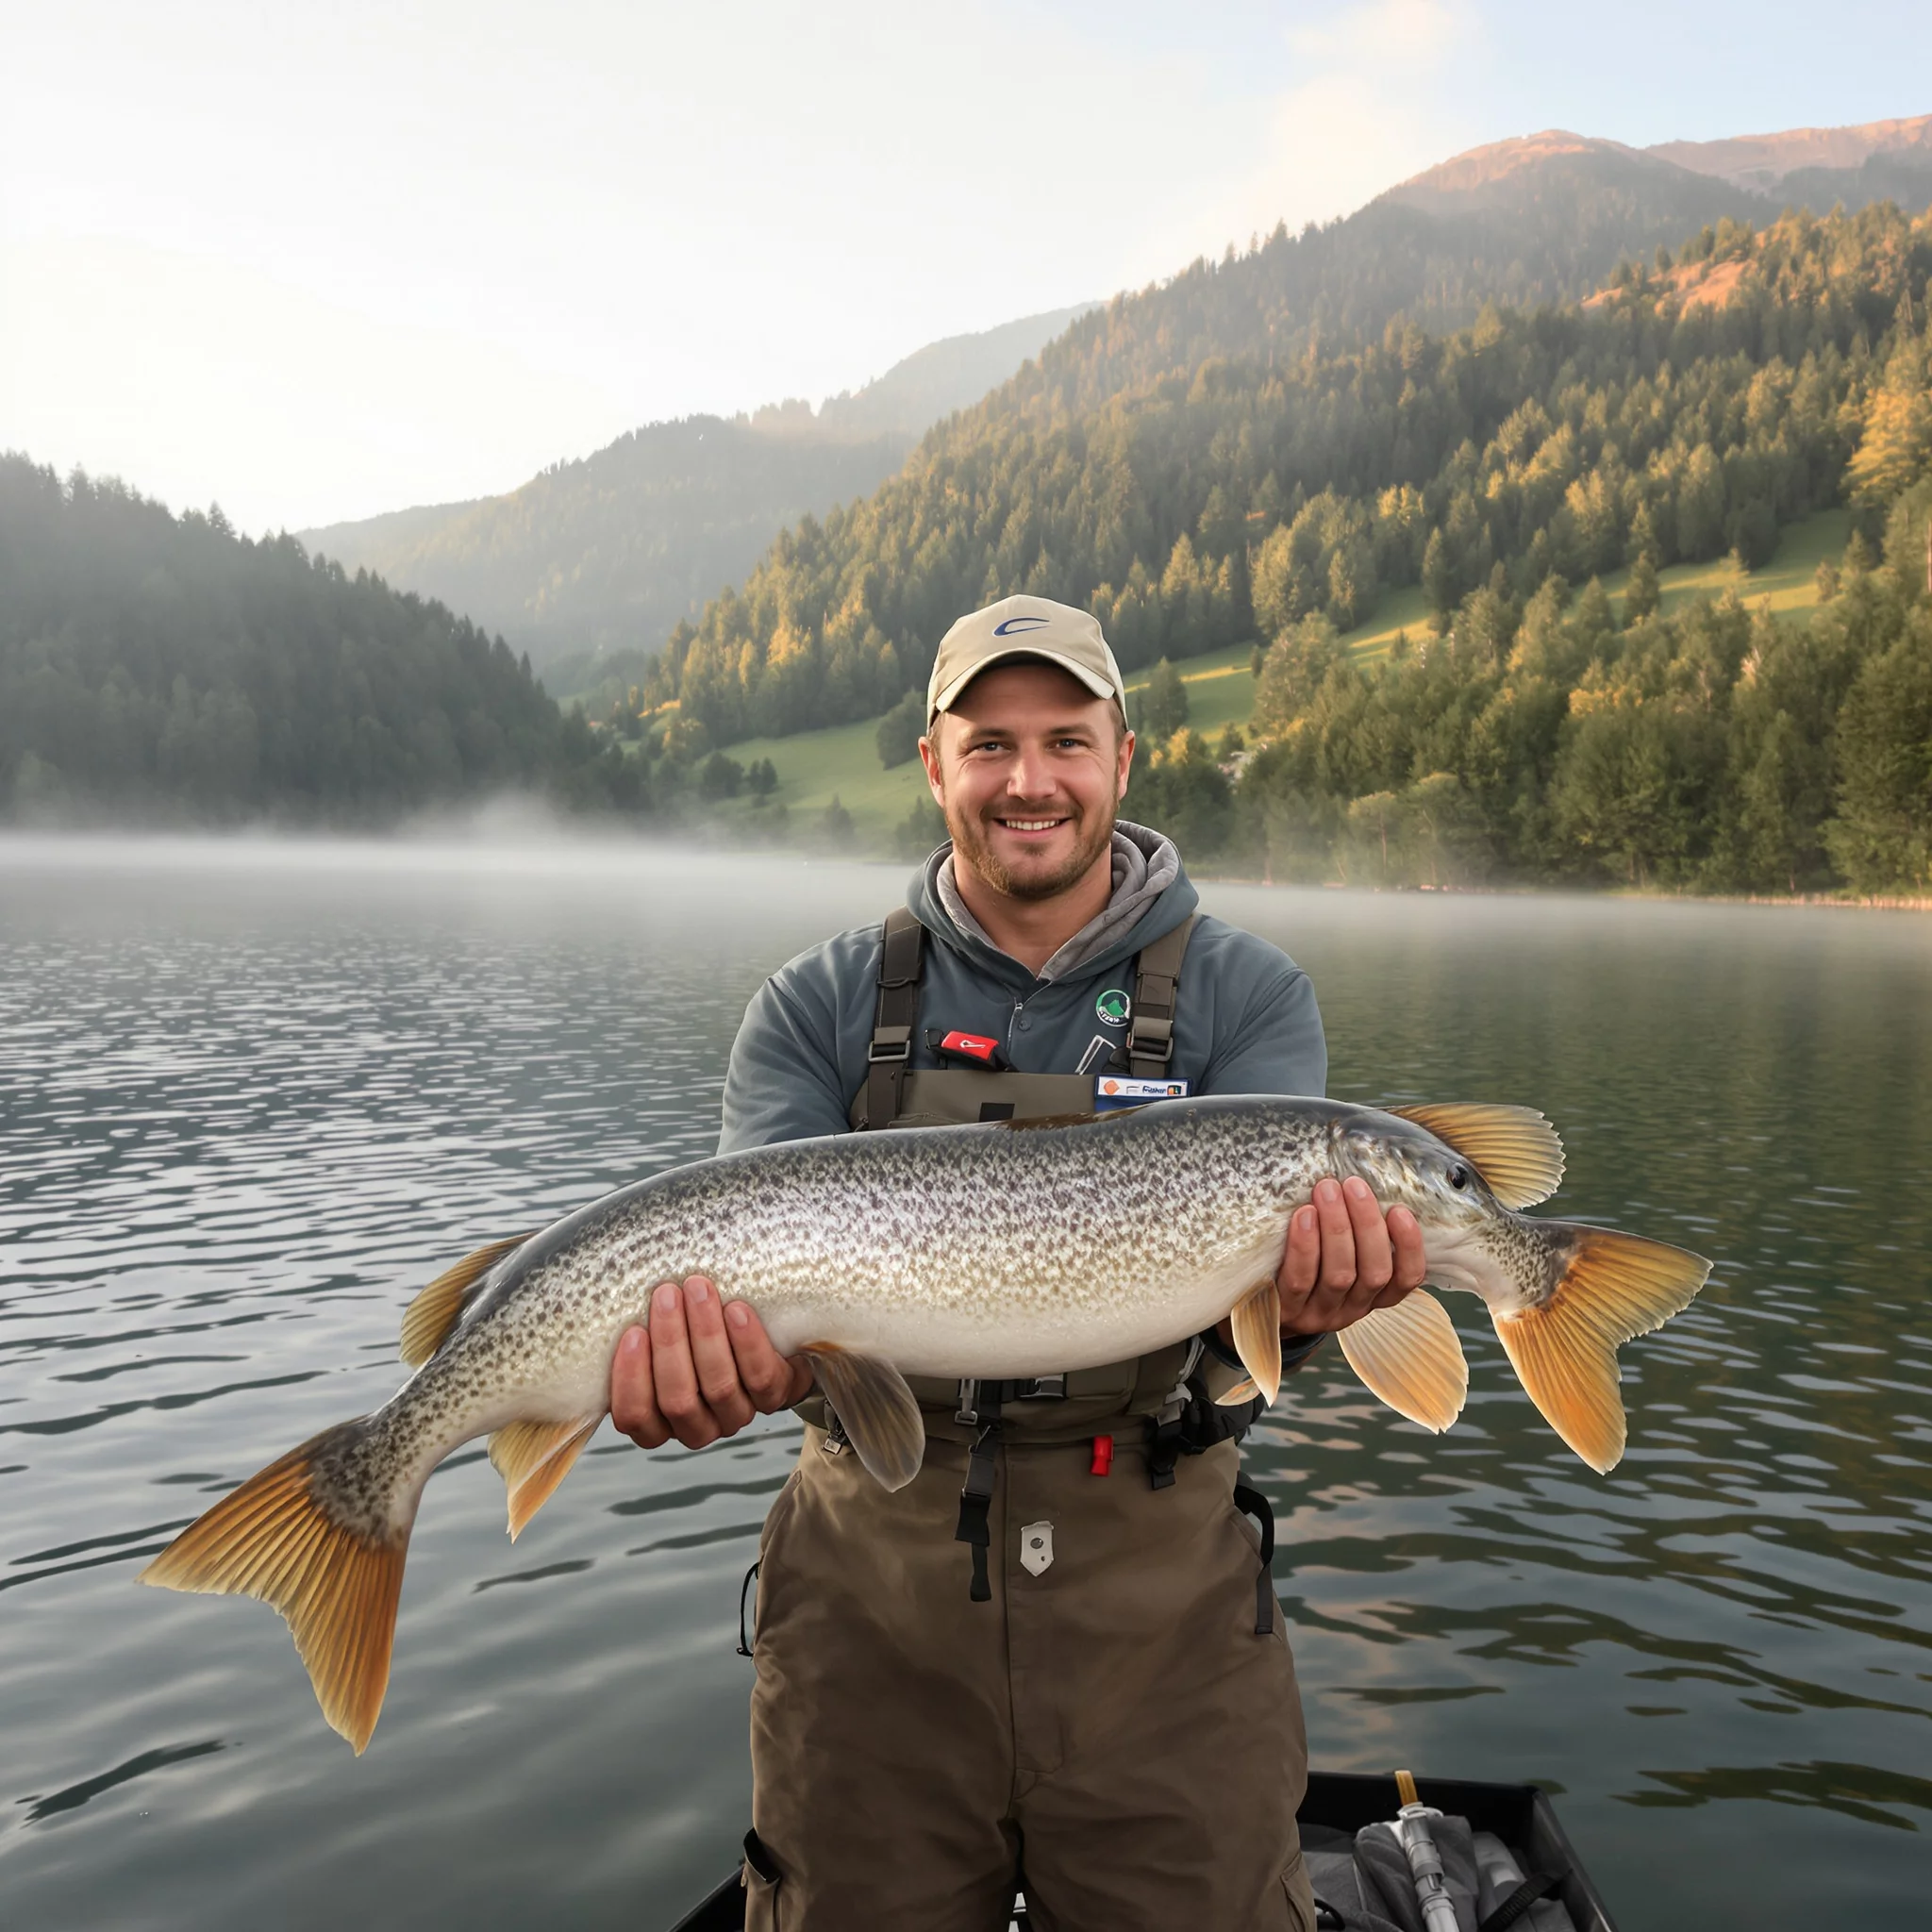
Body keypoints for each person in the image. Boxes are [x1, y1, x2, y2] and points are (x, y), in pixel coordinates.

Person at [609, 595, 1426, 1931]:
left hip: (1163, 1636)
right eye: (989, 743)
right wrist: (720, 1375)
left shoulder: (1250, 996)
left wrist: (1324, 1310)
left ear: (1124, 755)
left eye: (1065, 739)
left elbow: (1245, 1344)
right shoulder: (814, 1006)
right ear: (933, 765)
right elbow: (741, 1302)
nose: (1028, 780)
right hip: (868, 1635)